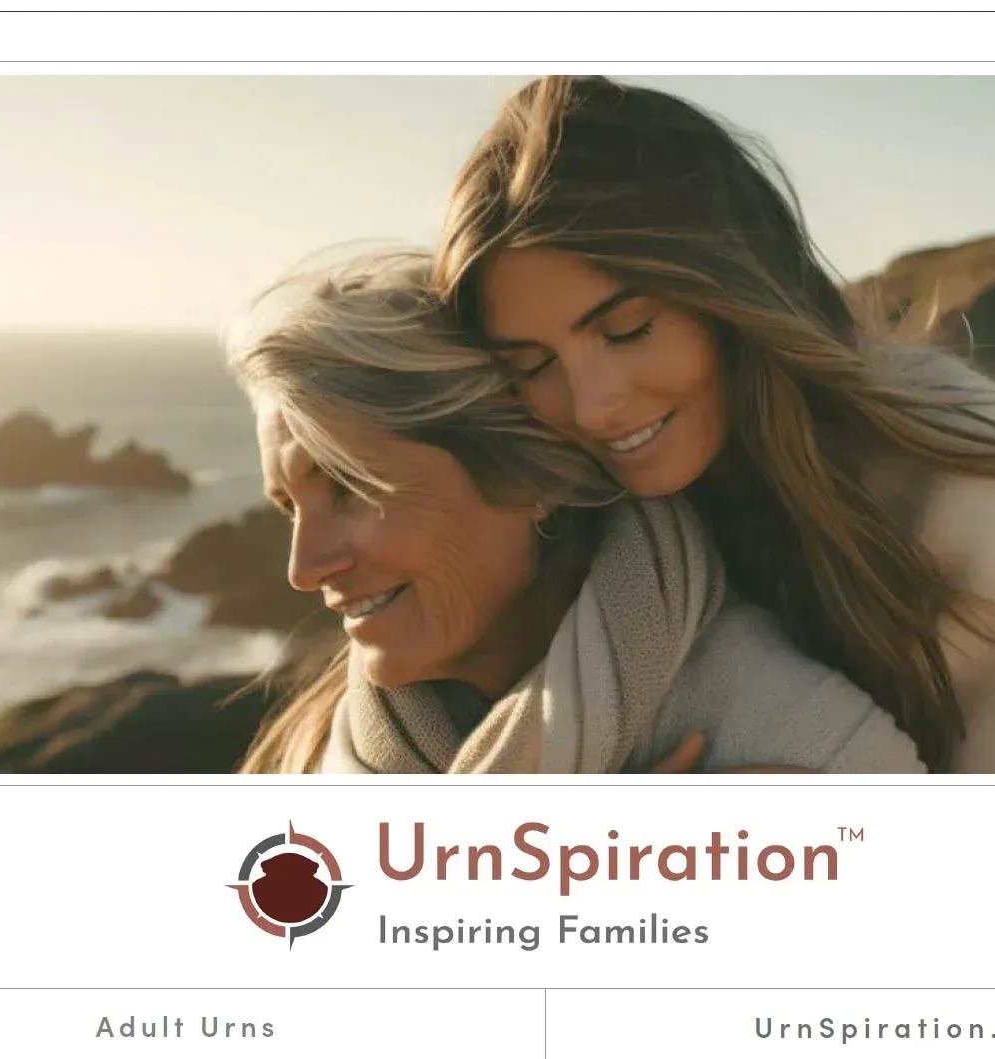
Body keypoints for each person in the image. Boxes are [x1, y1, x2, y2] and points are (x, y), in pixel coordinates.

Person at [434, 76, 995, 774]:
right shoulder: (565, 498)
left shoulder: (969, 477)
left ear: (733, 290)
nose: (591, 406)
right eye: (530, 366)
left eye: (627, 329)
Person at [225, 251, 925, 775]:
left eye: (351, 487)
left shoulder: (796, 741)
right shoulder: (322, 755)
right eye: (290, 507)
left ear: (529, 473)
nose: (302, 567)